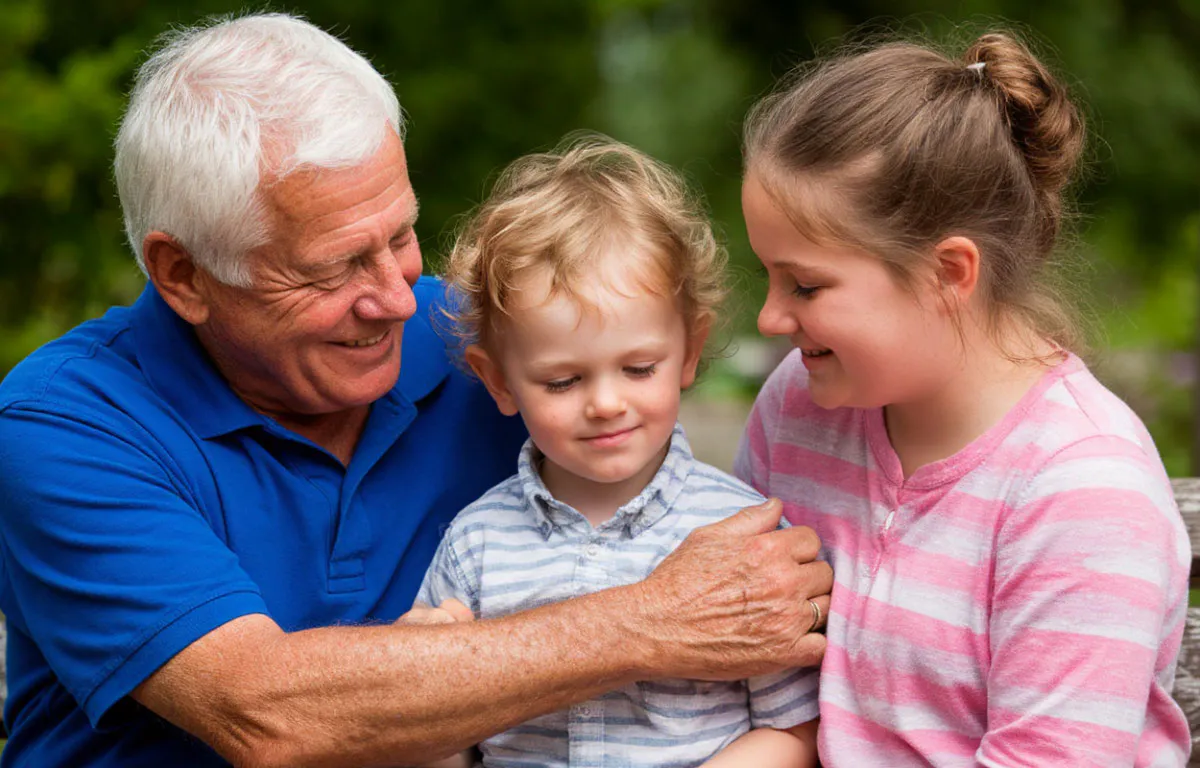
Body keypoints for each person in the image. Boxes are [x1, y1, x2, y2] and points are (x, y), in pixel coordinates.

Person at [0, 13, 834, 768]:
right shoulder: (69, 424)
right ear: (184, 273)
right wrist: (652, 620)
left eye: (399, 235)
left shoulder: (484, 340)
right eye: (334, 267)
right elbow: (263, 713)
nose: (400, 299)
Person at [735, 30, 1192, 766]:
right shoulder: (799, 405)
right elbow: (737, 666)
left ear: (948, 273)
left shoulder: (1084, 490)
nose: (769, 319)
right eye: (768, 275)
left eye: (806, 285)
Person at [417, 135, 820, 767]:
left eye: (637, 369)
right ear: (498, 380)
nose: (606, 403)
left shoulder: (742, 536)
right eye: (562, 381)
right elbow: (442, 729)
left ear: (688, 352)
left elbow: (791, 730)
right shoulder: (477, 544)